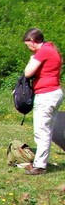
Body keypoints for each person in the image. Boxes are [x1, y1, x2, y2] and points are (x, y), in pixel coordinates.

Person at [22, 28, 63, 175]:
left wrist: (33, 58)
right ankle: (41, 162)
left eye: (28, 44)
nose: (28, 48)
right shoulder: (51, 49)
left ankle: (40, 166)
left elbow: (28, 72)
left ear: (33, 41)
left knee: (41, 131)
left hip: (46, 94)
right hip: (54, 92)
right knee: (46, 129)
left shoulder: (43, 51)